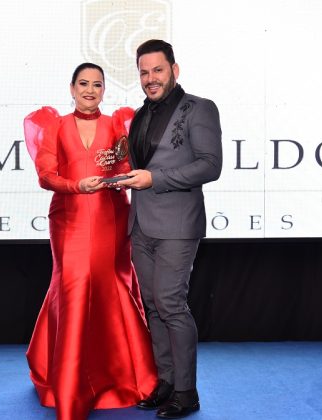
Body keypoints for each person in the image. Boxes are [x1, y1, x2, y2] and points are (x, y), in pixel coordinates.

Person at [23, 62, 157, 420]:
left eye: (97, 85)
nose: (89, 90)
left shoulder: (117, 124)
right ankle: (69, 386)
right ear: (72, 88)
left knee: (110, 285)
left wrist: (120, 176)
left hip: (111, 217)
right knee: (73, 287)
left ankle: (122, 377)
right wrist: (76, 185)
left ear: (103, 90)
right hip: (68, 219)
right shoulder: (55, 126)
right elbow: (46, 176)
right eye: (83, 84)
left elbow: (127, 167)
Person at [116, 39, 223, 418]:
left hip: (178, 225)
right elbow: (138, 165)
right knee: (153, 306)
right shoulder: (139, 115)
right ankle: (165, 382)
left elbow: (210, 165)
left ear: (174, 70)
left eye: (158, 70)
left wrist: (154, 179)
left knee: (171, 305)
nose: (151, 78)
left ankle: (186, 392)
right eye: (144, 72)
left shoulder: (200, 108)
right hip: (141, 224)